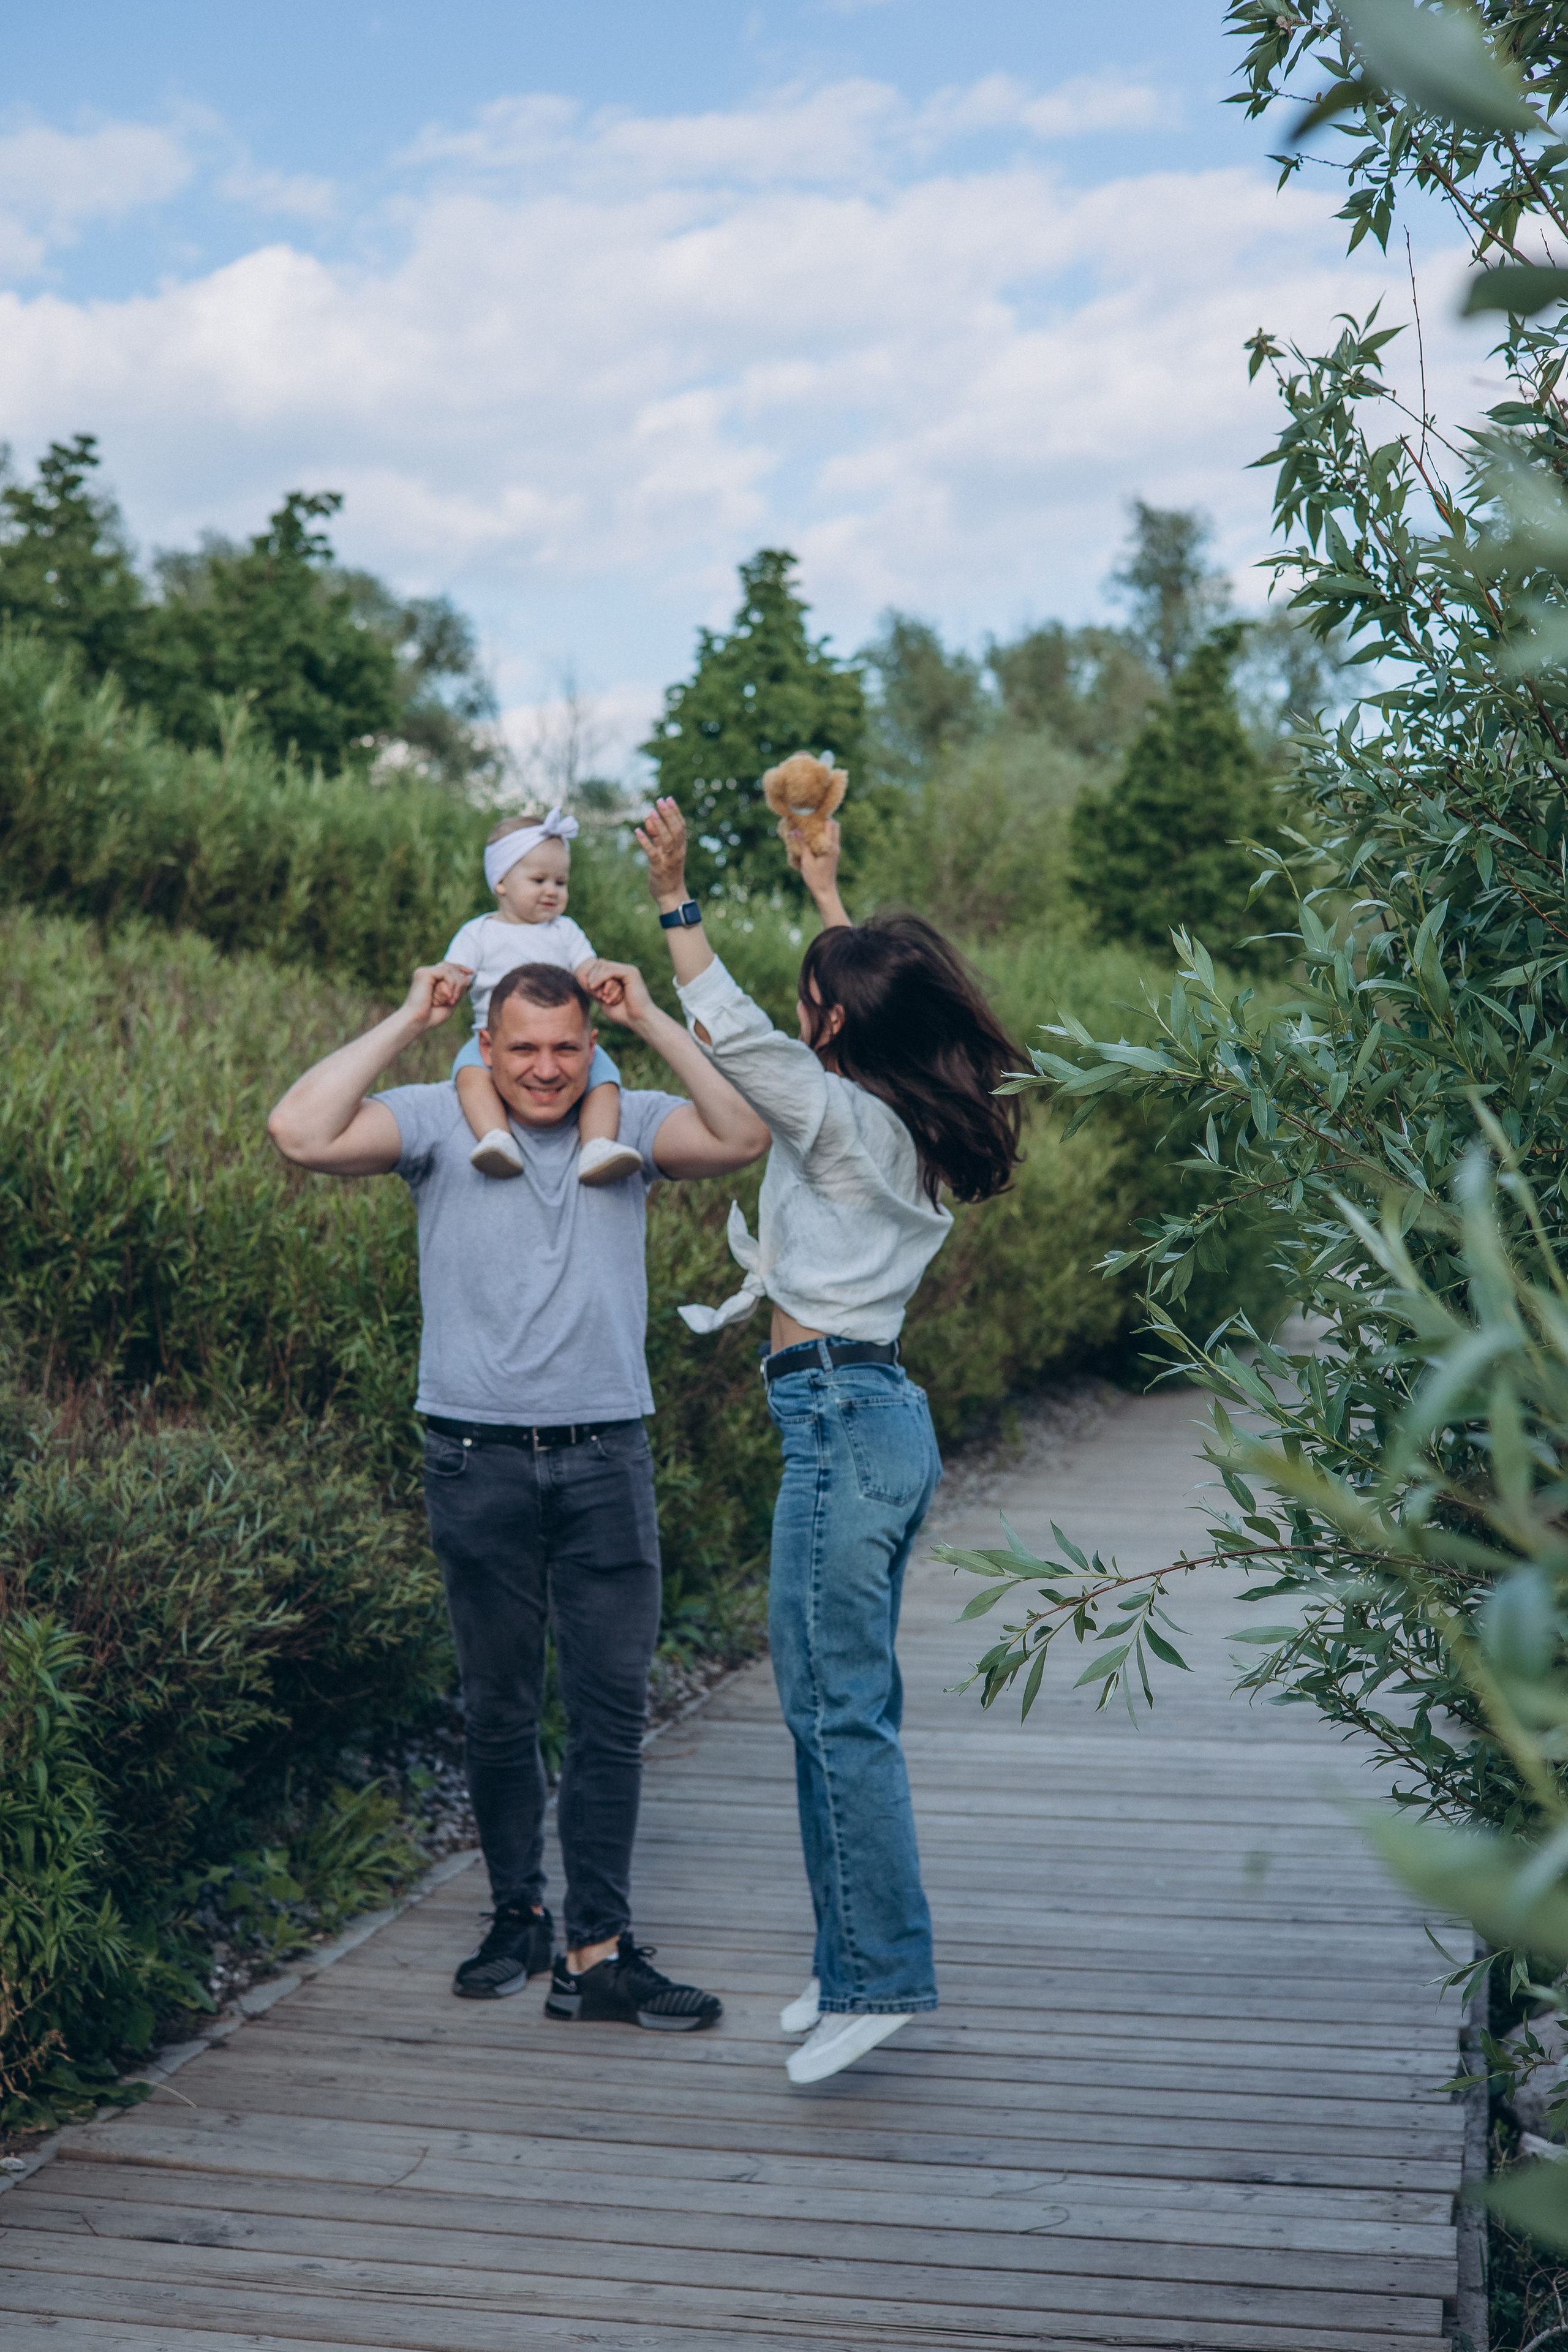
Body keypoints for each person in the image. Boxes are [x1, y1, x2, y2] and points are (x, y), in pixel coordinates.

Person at [587, 793, 1022, 2085]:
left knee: (837, 1716)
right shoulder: (899, 1107)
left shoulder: (839, 1120)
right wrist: (826, 891)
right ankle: (850, 1961)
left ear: (832, 1026)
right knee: (834, 1707)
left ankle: (878, 1979)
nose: (801, 1010)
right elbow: (850, 1009)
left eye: (814, 1000)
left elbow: (732, 1027)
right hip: (862, 1418)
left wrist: (673, 895)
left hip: (840, 1422)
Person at [266, 949, 769, 2028]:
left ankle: (598, 1954)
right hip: (474, 1456)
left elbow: (741, 1135)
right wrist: (409, 1018)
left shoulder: (629, 1129)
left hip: (605, 1456)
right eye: (525, 1048)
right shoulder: (435, 1121)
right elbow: (298, 1131)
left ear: (593, 1051)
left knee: (608, 1714)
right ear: (486, 1049)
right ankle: (518, 1917)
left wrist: (652, 1020)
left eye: (567, 1049)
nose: (546, 1069)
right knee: (500, 1710)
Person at [443, 804, 643, 1188]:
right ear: (501, 882)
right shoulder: (479, 933)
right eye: (539, 880)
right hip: (496, 1039)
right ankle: (495, 1138)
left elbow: (587, 966)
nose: (552, 891)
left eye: (561, 882)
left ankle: (598, 1145)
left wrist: (601, 978)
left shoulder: (565, 931)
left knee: (604, 1078)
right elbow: (456, 970)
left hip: (562, 1039)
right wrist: (449, 979)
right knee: (470, 1075)